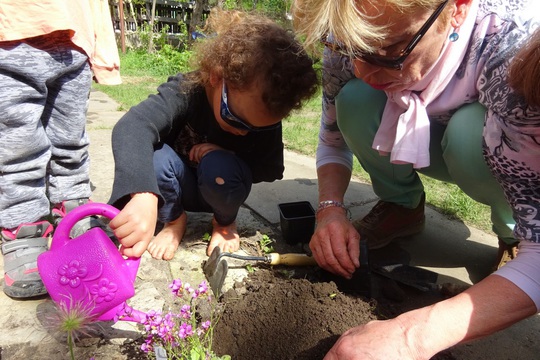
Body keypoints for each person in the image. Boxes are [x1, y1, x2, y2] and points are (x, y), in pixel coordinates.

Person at [291, 0, 540, 358]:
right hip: (422, 128)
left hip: (484, 146)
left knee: (468, 133)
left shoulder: (515, 49)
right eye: (350, 50)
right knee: (356, 99)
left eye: (390, 50)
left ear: (457, 8)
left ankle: (511, 231)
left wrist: (411, 336)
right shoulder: (353, 30)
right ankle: (402, 206)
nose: (364, 70)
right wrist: (329, 209)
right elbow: (331, 140)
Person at [107, 10, 318, 261]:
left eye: (255, 128)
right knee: (155, 155)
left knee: (219, 165)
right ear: (217, 77)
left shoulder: (263, 111)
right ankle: (174, 220)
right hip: (175, 186)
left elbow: (270, 170)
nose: (243, 131)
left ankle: (224, 224)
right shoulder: (186, 90)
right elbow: (133, 126)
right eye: (234, 118)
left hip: (222, 190)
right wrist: (142, 194)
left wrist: (227, 153)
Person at [0, 1, 121, 299]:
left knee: (71, 139)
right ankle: (23, 223)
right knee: (18, 145)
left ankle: (73, 206)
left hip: (75, 41)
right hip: (12, 34)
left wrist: (102, 52)